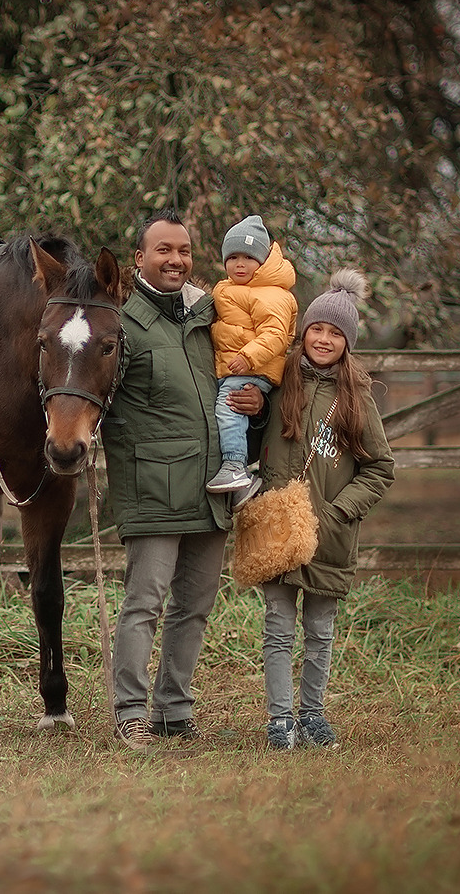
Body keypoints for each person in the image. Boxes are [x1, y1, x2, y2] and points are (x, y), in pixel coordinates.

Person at [102, 209, 267, 752]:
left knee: (194, 606)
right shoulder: (121, 327)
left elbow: (238, 381)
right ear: (139, 259)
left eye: (185, 251)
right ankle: (130, 713)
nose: (177, 260)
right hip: (152, 487)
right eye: (164, 250)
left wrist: (256, 401)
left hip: (210, 485)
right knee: (143, 603)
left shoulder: (210, 318)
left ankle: (174, 710)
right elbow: (89, 399)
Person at [255, 269, 394, 751]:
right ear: (304, 330)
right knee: (277, 628)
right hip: (277, 527)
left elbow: (381, 469)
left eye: (336, 333)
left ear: (347, 343)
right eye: (317, 328)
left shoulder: (357, 397)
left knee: (319, 631)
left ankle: (313, 714)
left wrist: (337, 512)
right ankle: (280, 719)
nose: (324, 338)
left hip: (329, 535)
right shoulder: (279, 381)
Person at [206, 214, 298, 495]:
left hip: (253, 368)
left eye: (248, 257)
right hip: (237, 366)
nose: (240, 264)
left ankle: (235, 466)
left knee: (228, 407)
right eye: (233, 258)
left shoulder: (271, 293)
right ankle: (241, 480)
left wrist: (247, 356)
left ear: (261, 262)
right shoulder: (230, 289)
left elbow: (275, 335)